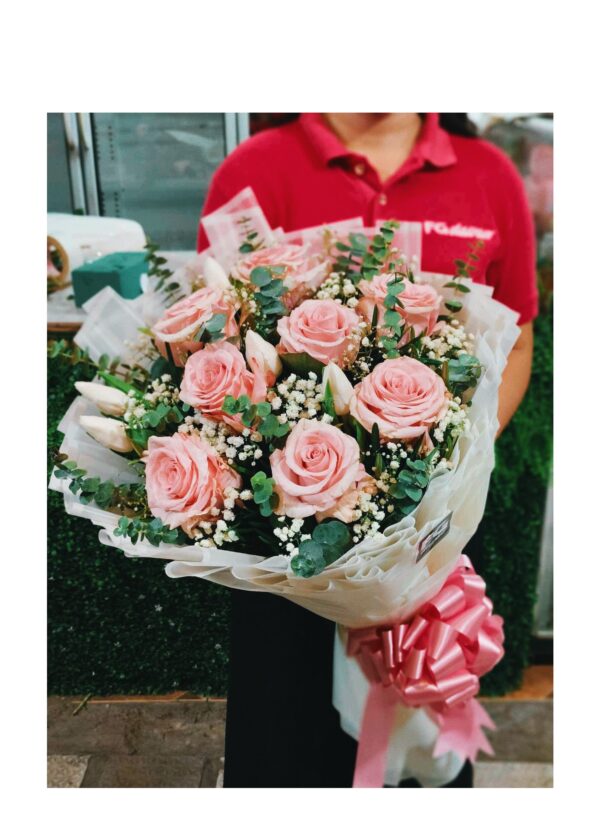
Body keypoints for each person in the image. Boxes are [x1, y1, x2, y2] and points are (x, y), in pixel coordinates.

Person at [197, 113, 539, 788]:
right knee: (285, 763)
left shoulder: (488, 176)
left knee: (420, 772)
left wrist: (445, 469)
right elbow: (216, 341)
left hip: (426, 551)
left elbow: (518, 339)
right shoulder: (256, 169)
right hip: (283, 565)